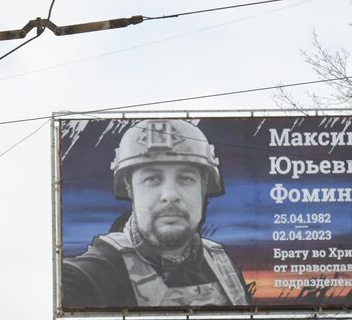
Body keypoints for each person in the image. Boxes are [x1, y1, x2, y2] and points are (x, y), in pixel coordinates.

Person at [62, 118, 250, 309]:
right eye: (152, 179)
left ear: (203, 190)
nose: (170, 195)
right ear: (129, 189)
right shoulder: (90, 275)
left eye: (186, 178)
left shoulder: (222, 264)